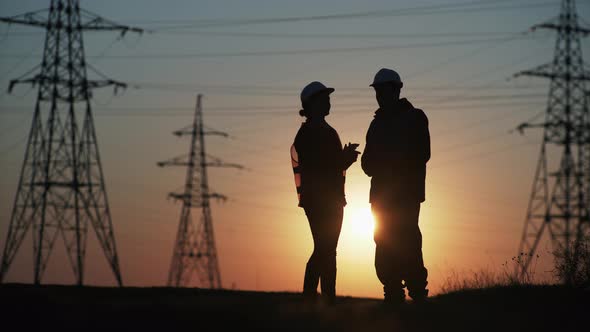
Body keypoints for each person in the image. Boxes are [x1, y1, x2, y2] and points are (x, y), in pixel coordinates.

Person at [361, 68, 431, 306]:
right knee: (383, 241)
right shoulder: (376, 125)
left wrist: (389, 164)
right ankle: (392, 291)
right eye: (377, 91)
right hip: (381, 197)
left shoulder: (415, 118)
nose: (380, 95)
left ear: (397, 89)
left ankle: (417, 291)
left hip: (406, 194)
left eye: (383, 90)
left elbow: (423, 153)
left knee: (408, 239)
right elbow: (367, 163)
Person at [290, 81, 360, 305]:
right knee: (325, 248)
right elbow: (320, 168)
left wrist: (344, 159)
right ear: (312, 104)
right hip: (319, 201)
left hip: (332, 200)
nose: (329, 101)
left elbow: (329, 166)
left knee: (328, 249)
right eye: (324, 98)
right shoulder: (308, 134)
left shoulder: (327, 132)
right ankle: (313, 298)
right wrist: (343, 159)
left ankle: (326, 299)